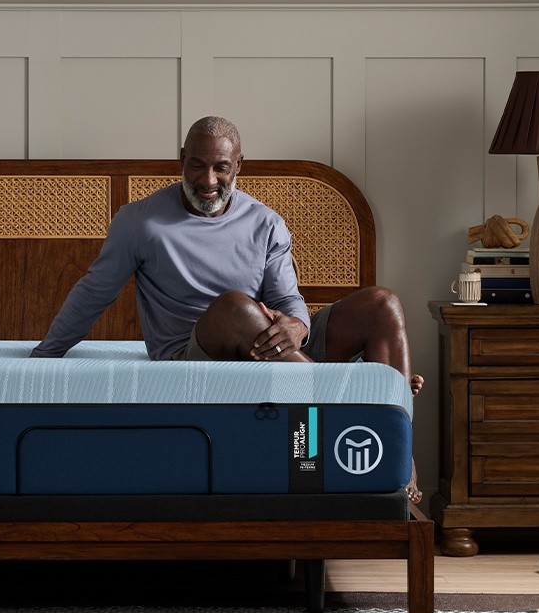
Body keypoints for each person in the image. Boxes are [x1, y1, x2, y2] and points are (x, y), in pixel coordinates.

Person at [31, 116, 423, 500]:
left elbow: (288, 302)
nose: (207, 180)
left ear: (239, 165)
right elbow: (94, 292)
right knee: (236, 307)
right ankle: (350, 400)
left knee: (382, 303)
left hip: (275, 346)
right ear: (181, 159)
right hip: (193, 350)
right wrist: (45, 352)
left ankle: (399, 453)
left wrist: (298, 327)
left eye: (221, 167)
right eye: (196, 165)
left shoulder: (266, 223)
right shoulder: (140, 222)